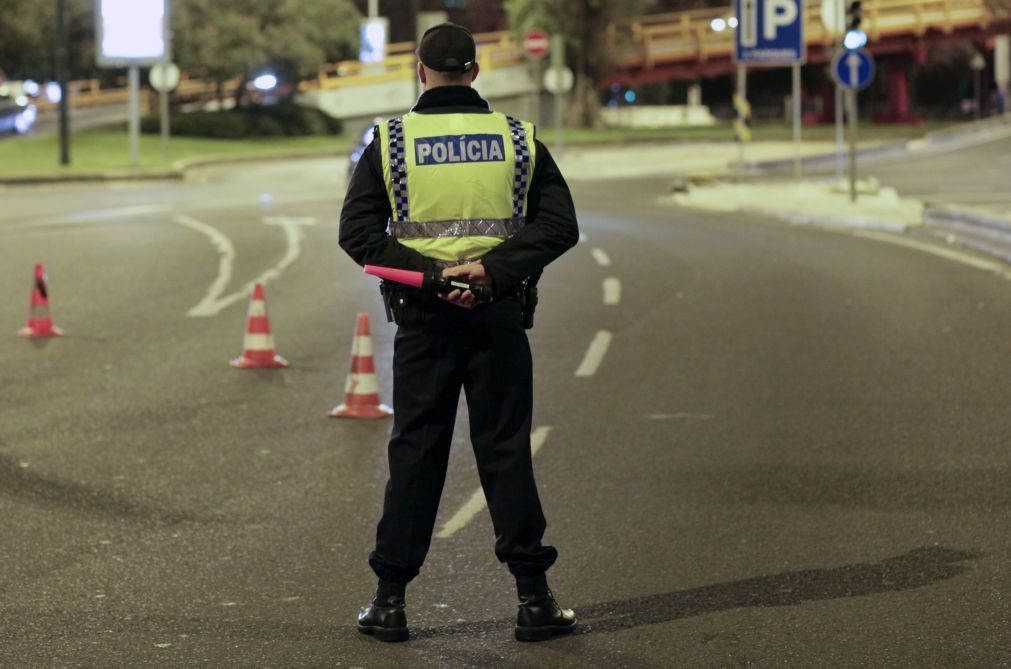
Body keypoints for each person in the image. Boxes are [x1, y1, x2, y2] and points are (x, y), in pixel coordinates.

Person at [338, 22, 579, 643]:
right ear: (475, 72)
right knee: (505, 451)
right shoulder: (517, 138)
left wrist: (431, 277)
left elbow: (360, 236)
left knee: (416, 454)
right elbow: (560, 226)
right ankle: (534, 600)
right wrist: (491, 271)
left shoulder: (390, 141)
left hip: (423, 319)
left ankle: (390, 602)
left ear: (420, 71)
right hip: (497, 316)